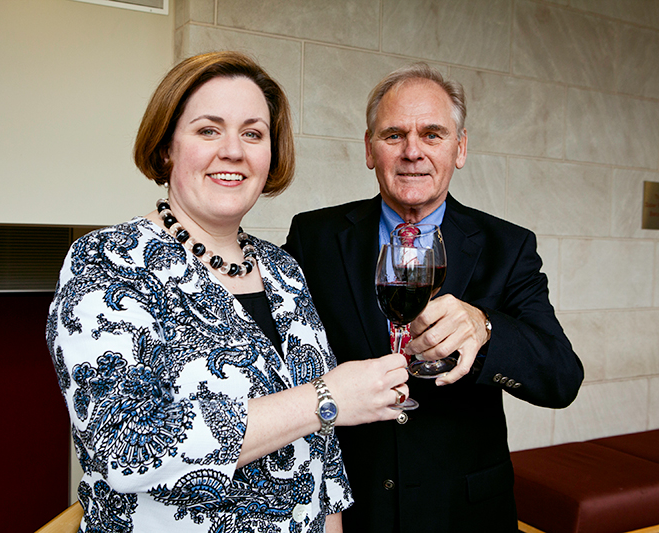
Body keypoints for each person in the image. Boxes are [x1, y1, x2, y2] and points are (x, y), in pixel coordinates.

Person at [46, 51, 411, 533]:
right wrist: (325, 397)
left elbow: (321, 457)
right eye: (208, 129)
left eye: (253, 133)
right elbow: (125, 445)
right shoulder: (108, 260)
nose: (234, 151)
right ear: (166, 147)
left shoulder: (284, 271)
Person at [283, 63, 584, 532]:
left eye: (432, 135)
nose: (412, 152)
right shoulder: (314, 237)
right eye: (393, 135)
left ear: (460, 149)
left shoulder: (509, 246)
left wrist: (485, 330)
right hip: (351, 509)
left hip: (463, 513)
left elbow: (561, 379)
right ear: (369, 150)